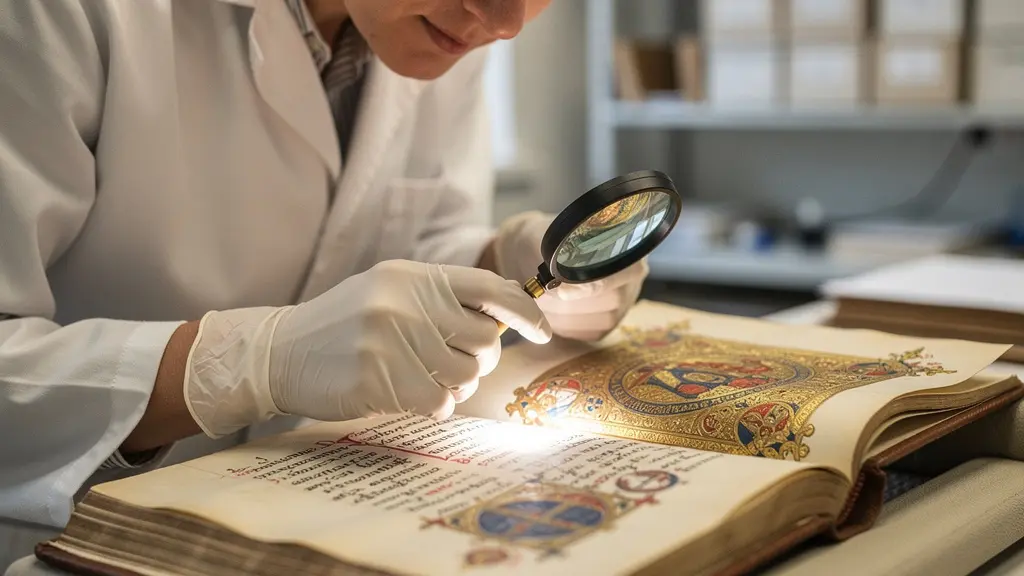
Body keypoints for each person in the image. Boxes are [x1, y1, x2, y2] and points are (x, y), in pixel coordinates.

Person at [0, 0, 649, 571]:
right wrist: (247, 363)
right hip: (80, 529)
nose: (505, 24)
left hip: (322, 506)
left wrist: (504, 260)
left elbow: (396, 243)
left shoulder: (451, 25)